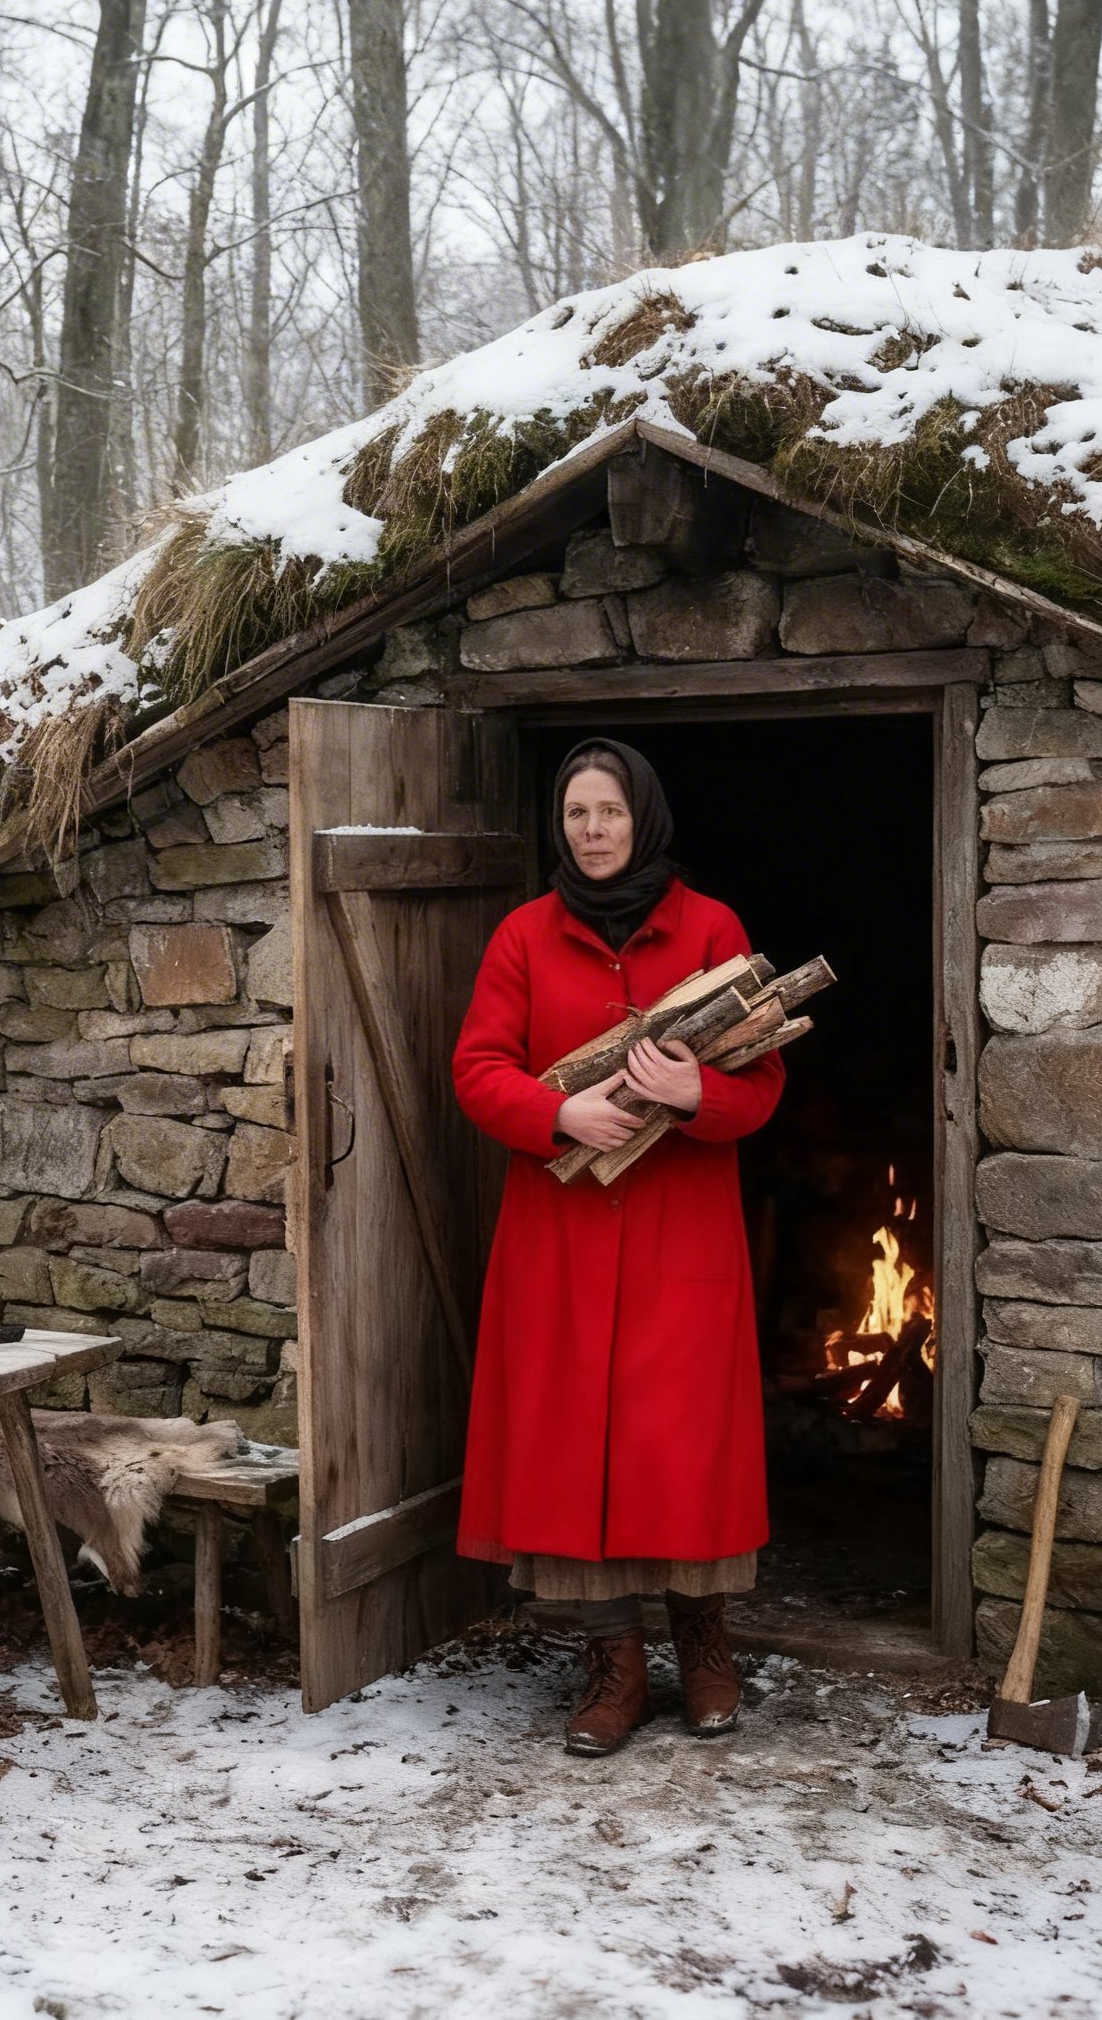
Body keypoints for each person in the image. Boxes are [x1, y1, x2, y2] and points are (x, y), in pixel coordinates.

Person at [452, 738, 785, 1756]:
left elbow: (763, 1086)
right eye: (576, 814)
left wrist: (699, 1095)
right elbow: (476, 1067)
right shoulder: (522, 935)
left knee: (684, 1446)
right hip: (559, 1239)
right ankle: (613, 1667)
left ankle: (707, 1649)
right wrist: (558, 1117)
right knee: (568, 1449)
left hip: (682, 1233)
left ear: (643, 817)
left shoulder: (710, 928)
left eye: (609, 812)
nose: (592, 831)